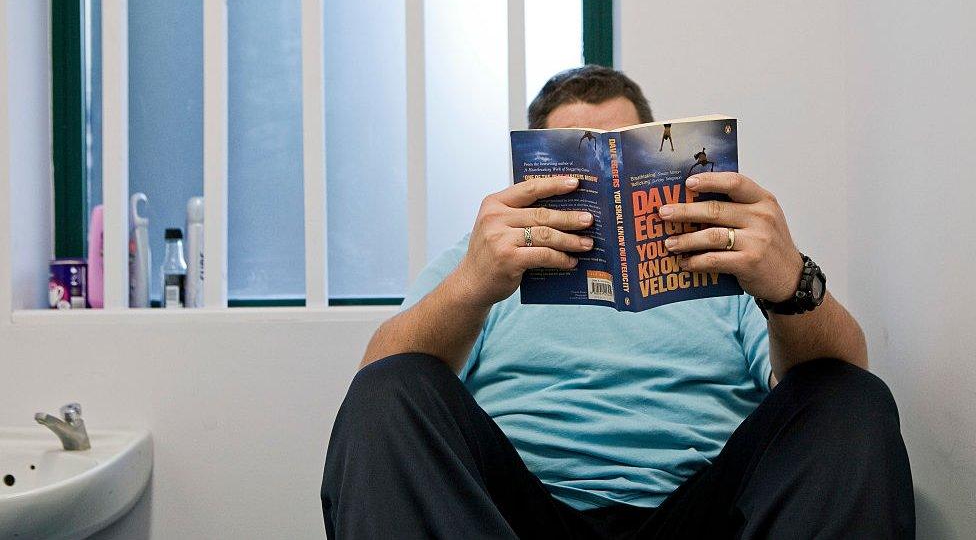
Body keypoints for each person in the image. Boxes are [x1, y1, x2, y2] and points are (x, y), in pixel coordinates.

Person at [321, 65, 914, 539]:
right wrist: (474, 284)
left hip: (699, 509)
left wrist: (791, 280)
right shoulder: (479, 261)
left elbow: (840, 372)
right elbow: (381, 377)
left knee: (851, 397)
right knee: (388, 390)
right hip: (517, 512)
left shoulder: (729, 260)